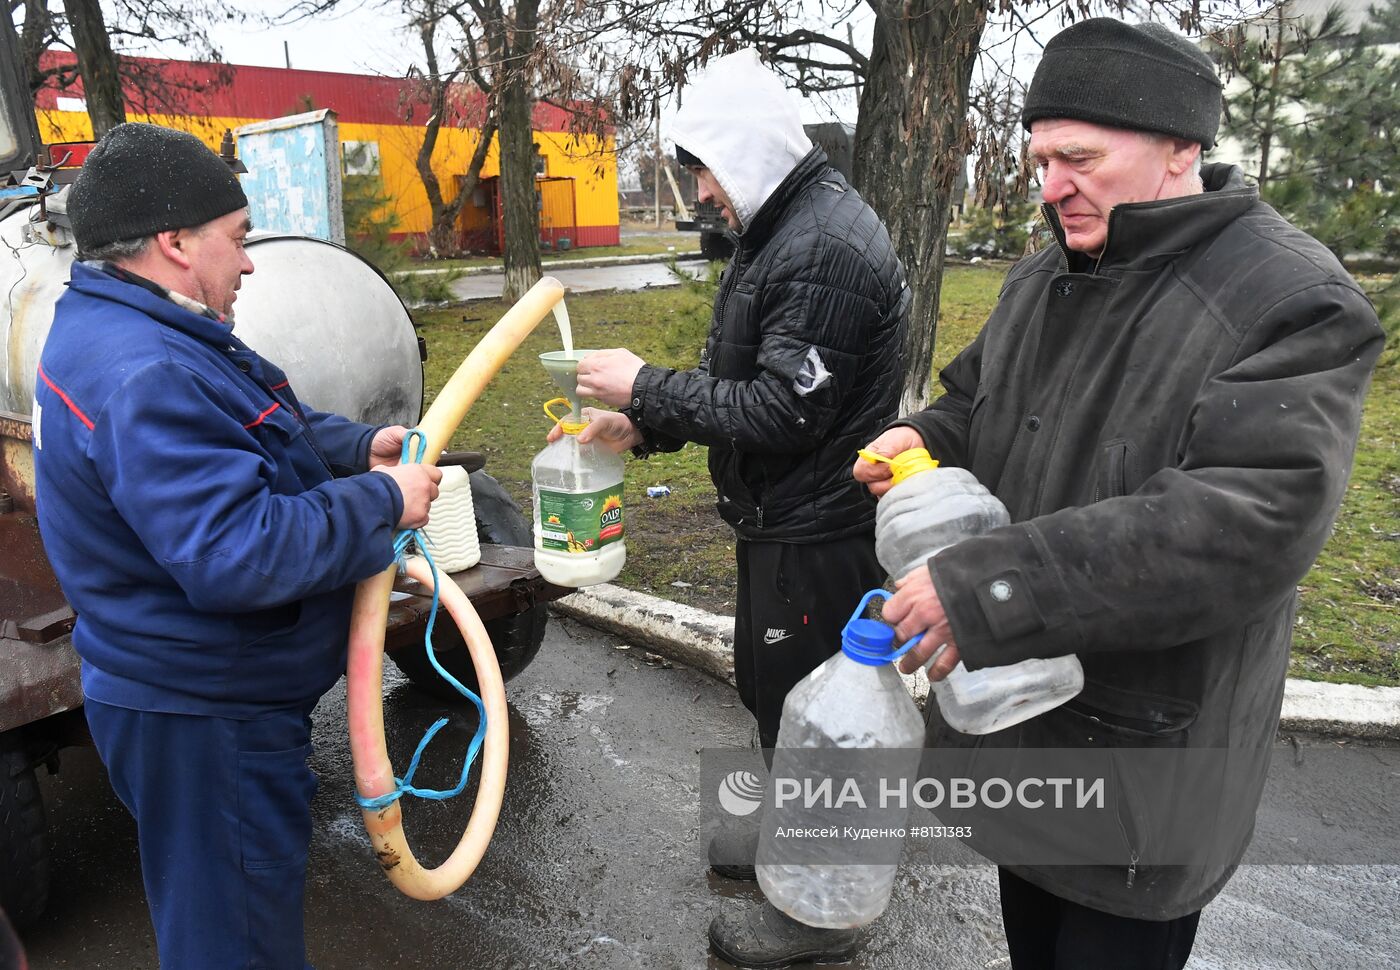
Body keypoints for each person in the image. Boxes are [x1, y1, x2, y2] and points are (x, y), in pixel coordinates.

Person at [856, 19, 1385, 970]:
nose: (1052, 184)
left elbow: (1245, 522)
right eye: (1039, 158)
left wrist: (987, 589)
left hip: (1149, 753)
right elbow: (978, 401)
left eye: (1079, 157)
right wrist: (922, 438)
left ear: (1182, 147)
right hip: (1026, 719)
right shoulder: (1044, 273)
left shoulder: (1291, 298)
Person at [32, 123, 442, 969]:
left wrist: (353, 448)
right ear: (176, 243)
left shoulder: (126, 323)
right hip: (206, 720)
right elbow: (237, 552)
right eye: (238, 237)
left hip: (183, 696)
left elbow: (250, 423)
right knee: (236, 946)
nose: (250, 261)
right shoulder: (145, 371)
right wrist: (382, 500)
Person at [559, 49, 910, 965]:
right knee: (775, 696)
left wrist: (645, 386)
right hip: (785, 520)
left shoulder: (823, 245)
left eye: (706, 167)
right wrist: (648, 426)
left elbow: (786, 413)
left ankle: (818, 919)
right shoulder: (784, 229)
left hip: (821, 529)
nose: (702, 191)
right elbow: (743, 383)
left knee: (812, 708)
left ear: (745, 153)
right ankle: (782, 843)